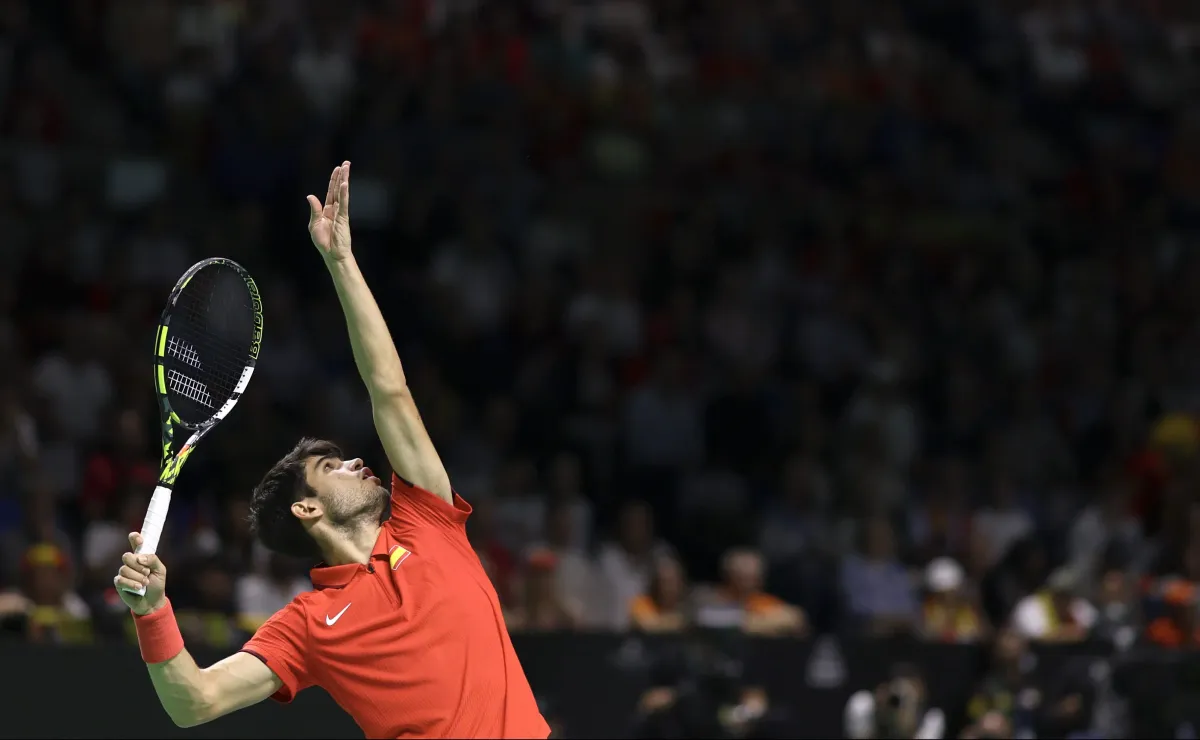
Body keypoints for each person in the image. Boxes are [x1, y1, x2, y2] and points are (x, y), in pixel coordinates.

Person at [112, 162, 550, 739]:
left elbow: (388, 389)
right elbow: (195, 701)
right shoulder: (309, 624)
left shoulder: (429, 523)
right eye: (331, 466)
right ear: (306, 507)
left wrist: (342, 262)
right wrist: (152, 613)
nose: (356, 462)